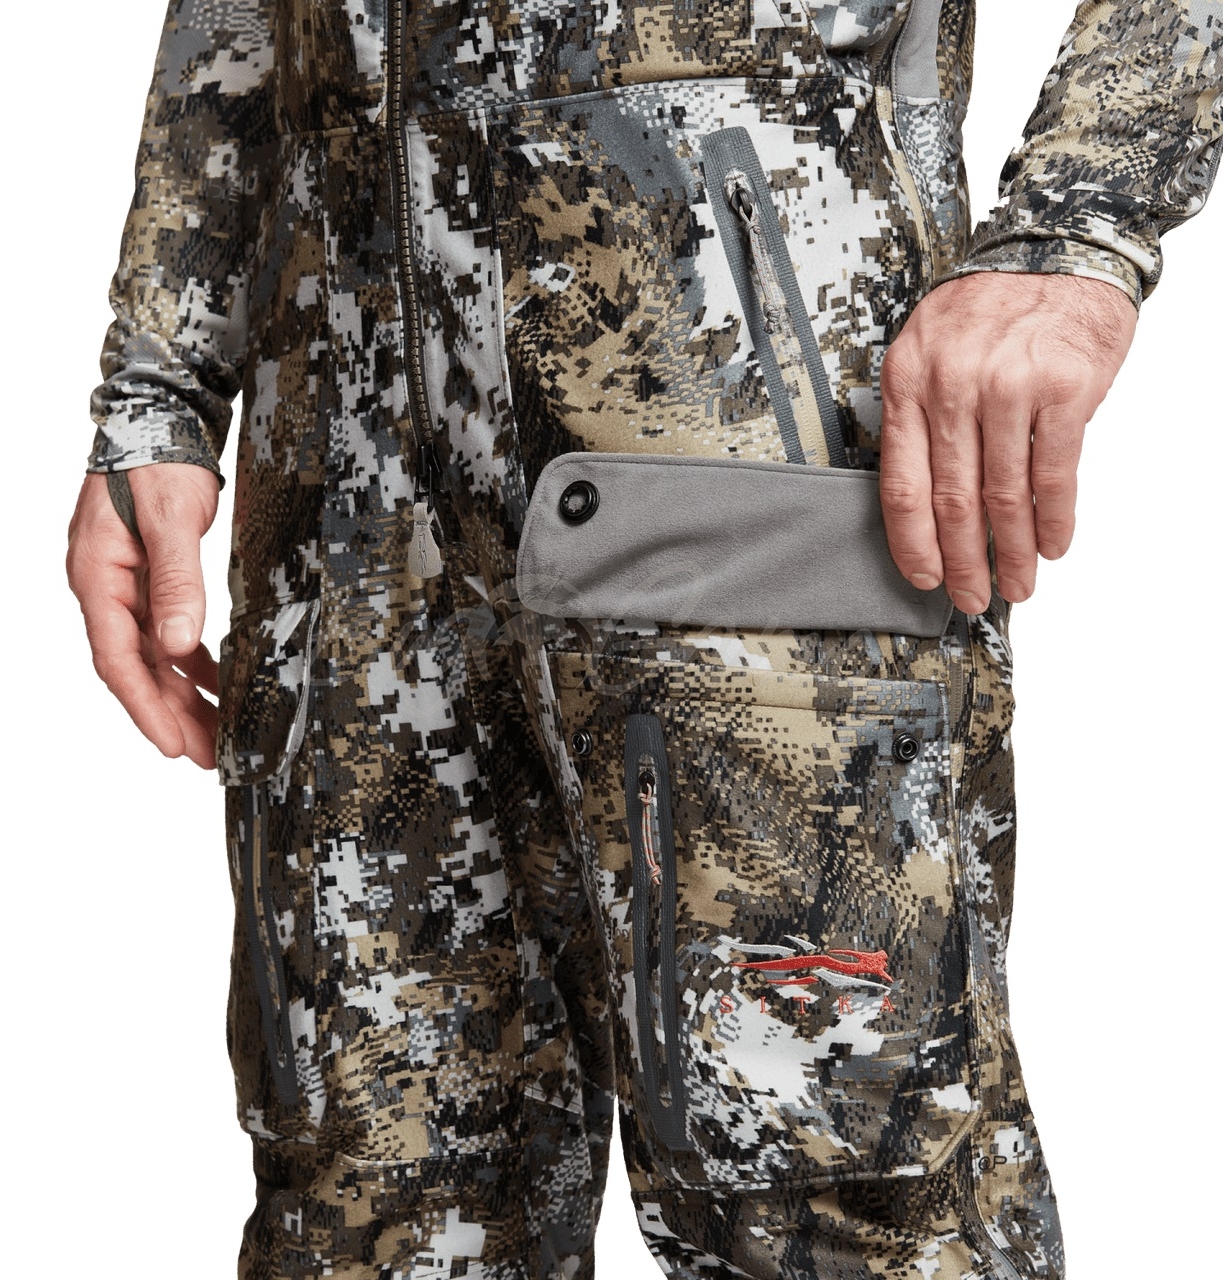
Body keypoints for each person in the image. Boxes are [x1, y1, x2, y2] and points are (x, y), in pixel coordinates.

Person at [65, 3, 1220, 1277]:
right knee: (368, 1212)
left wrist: (1076, 224)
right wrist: (160, 390)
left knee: (838, 1203)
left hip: (743, 445)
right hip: (348, 507)